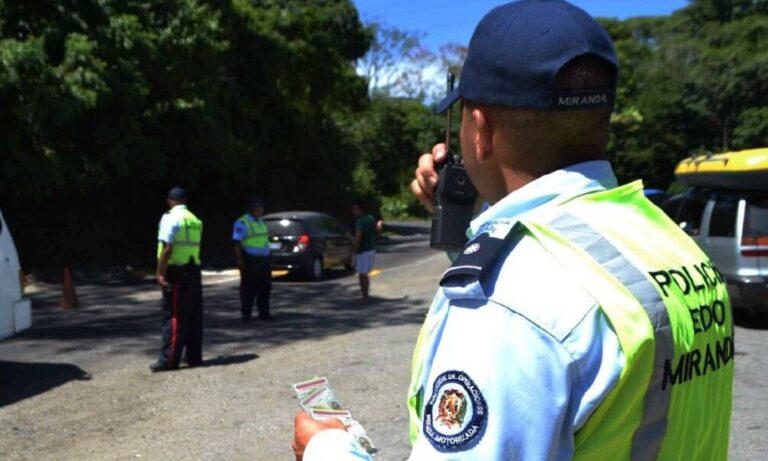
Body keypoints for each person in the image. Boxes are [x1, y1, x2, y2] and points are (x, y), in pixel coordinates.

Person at [293, 1, 734, 459]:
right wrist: (478, 228)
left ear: (479, 129)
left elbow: (534, 304)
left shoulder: (509, 303)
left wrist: (327, 448)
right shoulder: (667, 239)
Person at [150, 187, 204, 372]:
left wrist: (160, 273)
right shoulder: (195, 219)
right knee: (193, 315)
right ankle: (194, 357)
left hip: (177, 271)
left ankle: (169, 360)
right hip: (194, 270)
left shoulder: (170, 218)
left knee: (173, 316)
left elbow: (167, 248)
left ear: (169, 201)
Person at [233, 197, 273, 321]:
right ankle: (246, 314)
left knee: (265, 287)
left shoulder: (261, 222)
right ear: (253, 209)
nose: (262, 210)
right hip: (250, 259)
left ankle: (264, 312)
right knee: (248, 287)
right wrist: (239, 259)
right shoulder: (242, 222)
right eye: (260, 208)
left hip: (263, 258)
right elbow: (236, 242)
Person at [351, 203, 377, 302]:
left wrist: (354, 248)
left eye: (355, 209)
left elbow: (358, 236)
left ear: (360, 210)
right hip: (371, 248)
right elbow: (376, 230)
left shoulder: (360, 221)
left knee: (362, 274)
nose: (353, 212)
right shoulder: (370, 218)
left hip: (363, 250)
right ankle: (365, 295)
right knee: (364, 273)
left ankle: (365, 296)